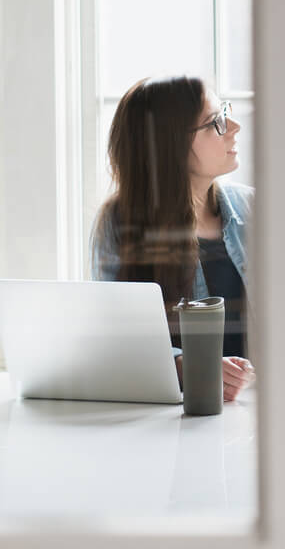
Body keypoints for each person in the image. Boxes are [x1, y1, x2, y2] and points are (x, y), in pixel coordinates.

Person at [91, 75, 256, 402]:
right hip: (172, 412)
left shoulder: (254, 209)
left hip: (260, 407)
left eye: (225, 111)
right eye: (215, 122)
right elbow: (115, 339)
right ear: (170, 145)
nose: (234, 126)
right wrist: (185, 363)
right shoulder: (119, 223)